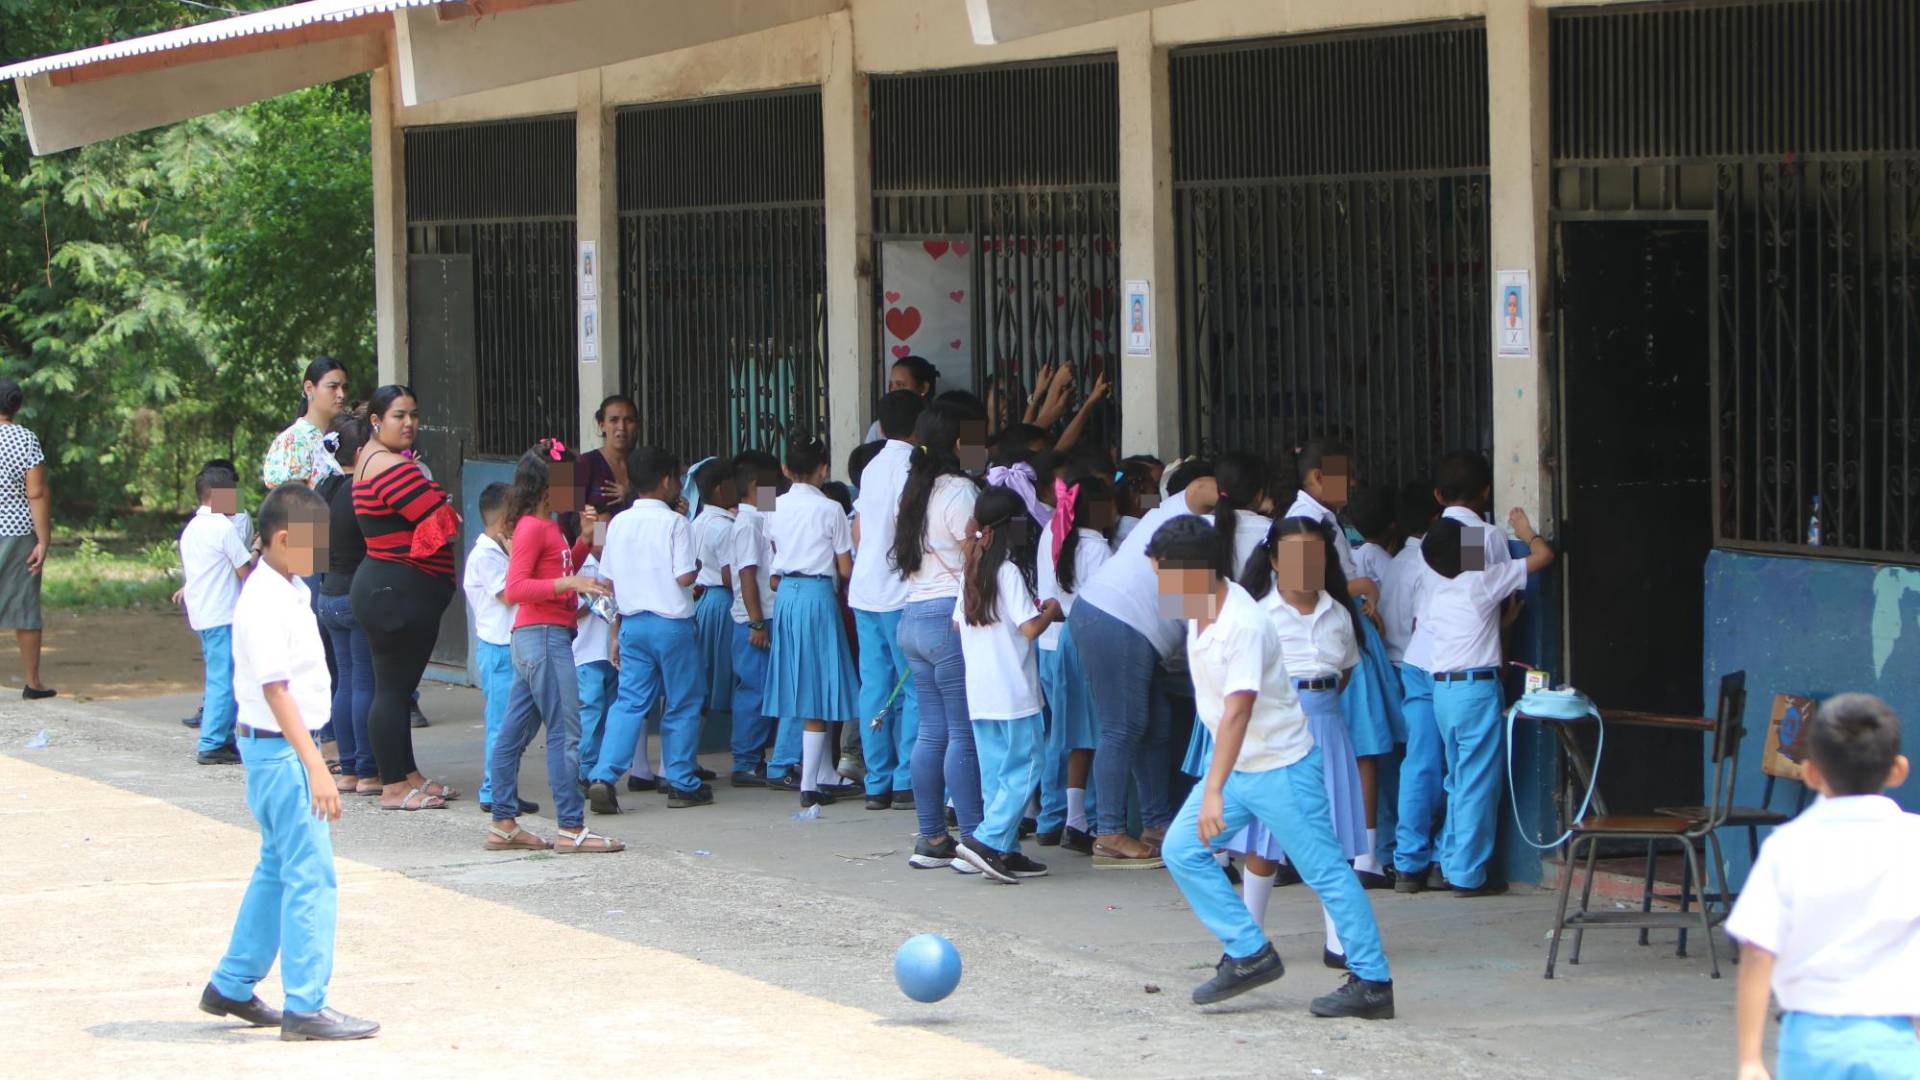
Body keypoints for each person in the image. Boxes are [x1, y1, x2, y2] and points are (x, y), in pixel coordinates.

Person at [1146, 515, 1394, 1019]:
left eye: (1163, 574)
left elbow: (1238, 710)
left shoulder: (1244, 624)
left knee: (1326, 871)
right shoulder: (1202, 610)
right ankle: (1249, 952)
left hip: (1280, 768)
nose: (1158, 586)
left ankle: (1372, 981)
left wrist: (1212, 791)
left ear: (1193, 571)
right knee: (1181, 850)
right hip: (1242, 765)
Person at [198, 482, 378, 1042]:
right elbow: (277, 691)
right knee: (310, 876)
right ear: (281, 539)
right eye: (314, 542)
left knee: (278, 867)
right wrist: (317, 766)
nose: (322, 553)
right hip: (281, 751)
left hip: (277, 749)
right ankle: (305, 1005)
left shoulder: (287, 586)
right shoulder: (264, 600)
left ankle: (231, 983)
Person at [1728, 693, 1919, 1080]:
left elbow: (1757, 952)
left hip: (1811, 1041)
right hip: (1895, 1042)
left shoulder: (1786, 845)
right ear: (1898, 770)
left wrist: (1750, 1060)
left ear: (1811, 772)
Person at [1070, 459, 1219, 868]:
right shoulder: (1177, 511)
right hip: (1116, 620)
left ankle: (1157, 825)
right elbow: (1202, 487)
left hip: (1127, 629)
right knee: (1124, 727)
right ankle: (1110, 834)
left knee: (1155, 725)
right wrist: (1232, 498)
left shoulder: (1210, 534)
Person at [1242, 515, 1372, 969]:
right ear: (1275, 560)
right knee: (1266, 840)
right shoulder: (1257, 614)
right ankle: (1247, 938)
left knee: (1332, 835)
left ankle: (1339, 941)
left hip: (1327, 726)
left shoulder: (1338, 613)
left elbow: (1346, 672)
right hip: (1276, 728)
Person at [487, 440, 621, 854]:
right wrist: (571, 583)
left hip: (539, 637)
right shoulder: (532, 527)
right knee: (566, 732)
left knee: (513, 734)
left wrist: (582, 541)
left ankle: (503, 823)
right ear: (545, 486)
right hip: (544, 636)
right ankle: (570, 827)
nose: (574, 487)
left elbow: (561, 567)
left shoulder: (546, 526)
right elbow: (516, 588)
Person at [1418, 508, 1555, 894]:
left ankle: (1447, 862)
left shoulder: (1438, 592)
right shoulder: (1481, 580)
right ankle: (1468, 875)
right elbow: (1545, 558)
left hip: (1443, 692)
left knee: (1457, 780)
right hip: (1475, 691)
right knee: (1478, 783)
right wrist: (1527, 531)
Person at [1282, 441, 1400, 884]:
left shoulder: (1326, 518)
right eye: (1342, 474)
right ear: (1315, 477)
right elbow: (1304, 584)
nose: (1352, 483)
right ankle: (1364, 857)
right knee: (1363, 749)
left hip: (1341, 634)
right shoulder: (1305, 521)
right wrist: (1362, 585)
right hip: (1331, 642)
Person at [350, 385, 461, 811]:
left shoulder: (372, 462)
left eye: (413, 414)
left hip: (391, 587)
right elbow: (441, 519)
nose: (409, 423)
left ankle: (407, 773)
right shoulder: (391, 466)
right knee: (392, 690)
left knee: (396, 689)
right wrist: (443, 505)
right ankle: (393, 785)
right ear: (377, 421)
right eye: (399, 415)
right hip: (394, 591)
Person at [893, 403, 986, 871]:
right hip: (947, 621)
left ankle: (931, 837)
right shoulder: (961, 492)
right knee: (962, 733)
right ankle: (973, 839)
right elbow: (974, 557)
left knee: (931, 733)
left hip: (911, 618)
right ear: (957, 442)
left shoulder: (916, 490)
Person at [952, 485, 1062, 883]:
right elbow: (1030, 628)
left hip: (981, 692)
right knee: (1028, 766)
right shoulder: (1008, 571)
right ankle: (986, 841)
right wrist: (1050, 609)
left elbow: (956, 621)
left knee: (997, 774)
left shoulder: (971, 568)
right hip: (1014, 691)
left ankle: (1006, 849)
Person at [588, 447, 705, 813]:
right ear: (668, 481)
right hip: (672, 625)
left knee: (629, 703)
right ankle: (682, 781)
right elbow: (685, 576)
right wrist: (698, 565)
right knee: (682, 702)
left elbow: (606, 582)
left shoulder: (618, 523)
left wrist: (613, 633)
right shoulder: (676, 523)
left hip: (632, 625)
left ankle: (604, 776)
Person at [765, 435, 861, 807]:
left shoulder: (772, 504)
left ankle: (820, 772)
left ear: (786, 469)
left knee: (803, 680)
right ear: (825, 469)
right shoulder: (832, 508)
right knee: (818, 686)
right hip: (819, 594)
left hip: (786, 593)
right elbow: (845, 566)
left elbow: (773, 549)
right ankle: (810, 783)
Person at [849, 390, 924, 810]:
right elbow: (908, 524)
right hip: (898, 590)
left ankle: (877, 781)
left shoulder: (873, 464)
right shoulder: (911, 466)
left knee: (874, 688)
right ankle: (905, 780)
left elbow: (860, 529)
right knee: (911, 689)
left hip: (865, 590)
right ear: (918, 425)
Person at [1035, 468, 1115, 854]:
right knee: (1097, 733)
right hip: (1089, 638)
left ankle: (1063, 818)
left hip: (1059, 639)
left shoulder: (1054, 532)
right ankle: (1091, 820)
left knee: (1069, 733)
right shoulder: (1097, 547)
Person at [1385, 482, 1445, 892]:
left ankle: (1407, 862)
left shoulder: (1395, 562)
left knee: (1416, 765)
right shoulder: (1448, 554)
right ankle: (1445, 860)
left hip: (1406, 665)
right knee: (1455, 768)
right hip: (1438, 665)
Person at [315, 414, 379, 795]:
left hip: (325, 595)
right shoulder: (363, 491)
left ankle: (349, 768)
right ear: (362, 450)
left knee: (342, 681)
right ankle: (368, 769)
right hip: (356, 595)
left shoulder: (321, 488)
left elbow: (308, 555)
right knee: (364, 682)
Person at [179, 462, 255, 765]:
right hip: (224, 612)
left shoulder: (193, 528)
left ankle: (223, 738)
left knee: (219, 675)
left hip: (203, 612)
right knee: (225, 678)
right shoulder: (222, 527)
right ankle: (212, 742)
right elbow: (244, 570)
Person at [463, 482, 527, 816]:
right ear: (503, 518)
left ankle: (505, 787)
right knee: (501, 724)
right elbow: (510, 593)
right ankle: (493, 789)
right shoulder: (484, 555)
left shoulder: (498, 551)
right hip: (497, 649)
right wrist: (518, 555)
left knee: (519, 723)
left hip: (510, 646)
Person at [725, 453, 779, 786]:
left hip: (762, 615)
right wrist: (757, 622)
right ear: (757, 487)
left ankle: (754, 756)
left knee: (760, 688)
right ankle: (745, 761)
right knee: (754, 690)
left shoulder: (761, 519)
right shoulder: (748, 524)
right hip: (754, 620)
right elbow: (747, 574)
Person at [0, 379, 53, 699]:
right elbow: (36, 492)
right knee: (24, 607)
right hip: (18, 533)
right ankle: (33, 683)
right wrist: (43, 540)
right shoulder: (24, 439)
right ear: (16, 405)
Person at [689, 458, 738, 740]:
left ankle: (687, 759)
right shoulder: (725, 527)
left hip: (702, 601)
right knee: (724, 678)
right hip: (723, 602)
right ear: (721, 489)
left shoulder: (696, 522)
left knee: (703, 681)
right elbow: (731, 576)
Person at [261, 357, 348, 490]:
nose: (341, 394)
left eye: (344, 387)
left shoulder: (346, 434)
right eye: (333, 387)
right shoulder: (293, 441)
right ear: (309, 388)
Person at [573, 530, 617, 790]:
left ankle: (601, 769)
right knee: (591, 710)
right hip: (587, 650)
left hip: (610, 650)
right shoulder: (581, 564)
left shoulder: (615, 561)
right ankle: (583, 769)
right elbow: (570, 607)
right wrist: (595, 596)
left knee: (610, 712)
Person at [577, 394, 640, 517]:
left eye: (629, 420)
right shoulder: (580, 462)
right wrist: (588, 516)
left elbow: (658, 505)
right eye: (613, 420)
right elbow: (559, 513)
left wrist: (631, 495)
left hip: (637, 535)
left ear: (637, 425)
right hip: (598, 534)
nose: (621, 427)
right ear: (602, 425)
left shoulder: (645, 464)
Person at [864, 355, 939, 443]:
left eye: (900, 385)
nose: (893, 391)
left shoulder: (941, 423)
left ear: (924, 388)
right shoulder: (880, 427)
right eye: (891, 386)